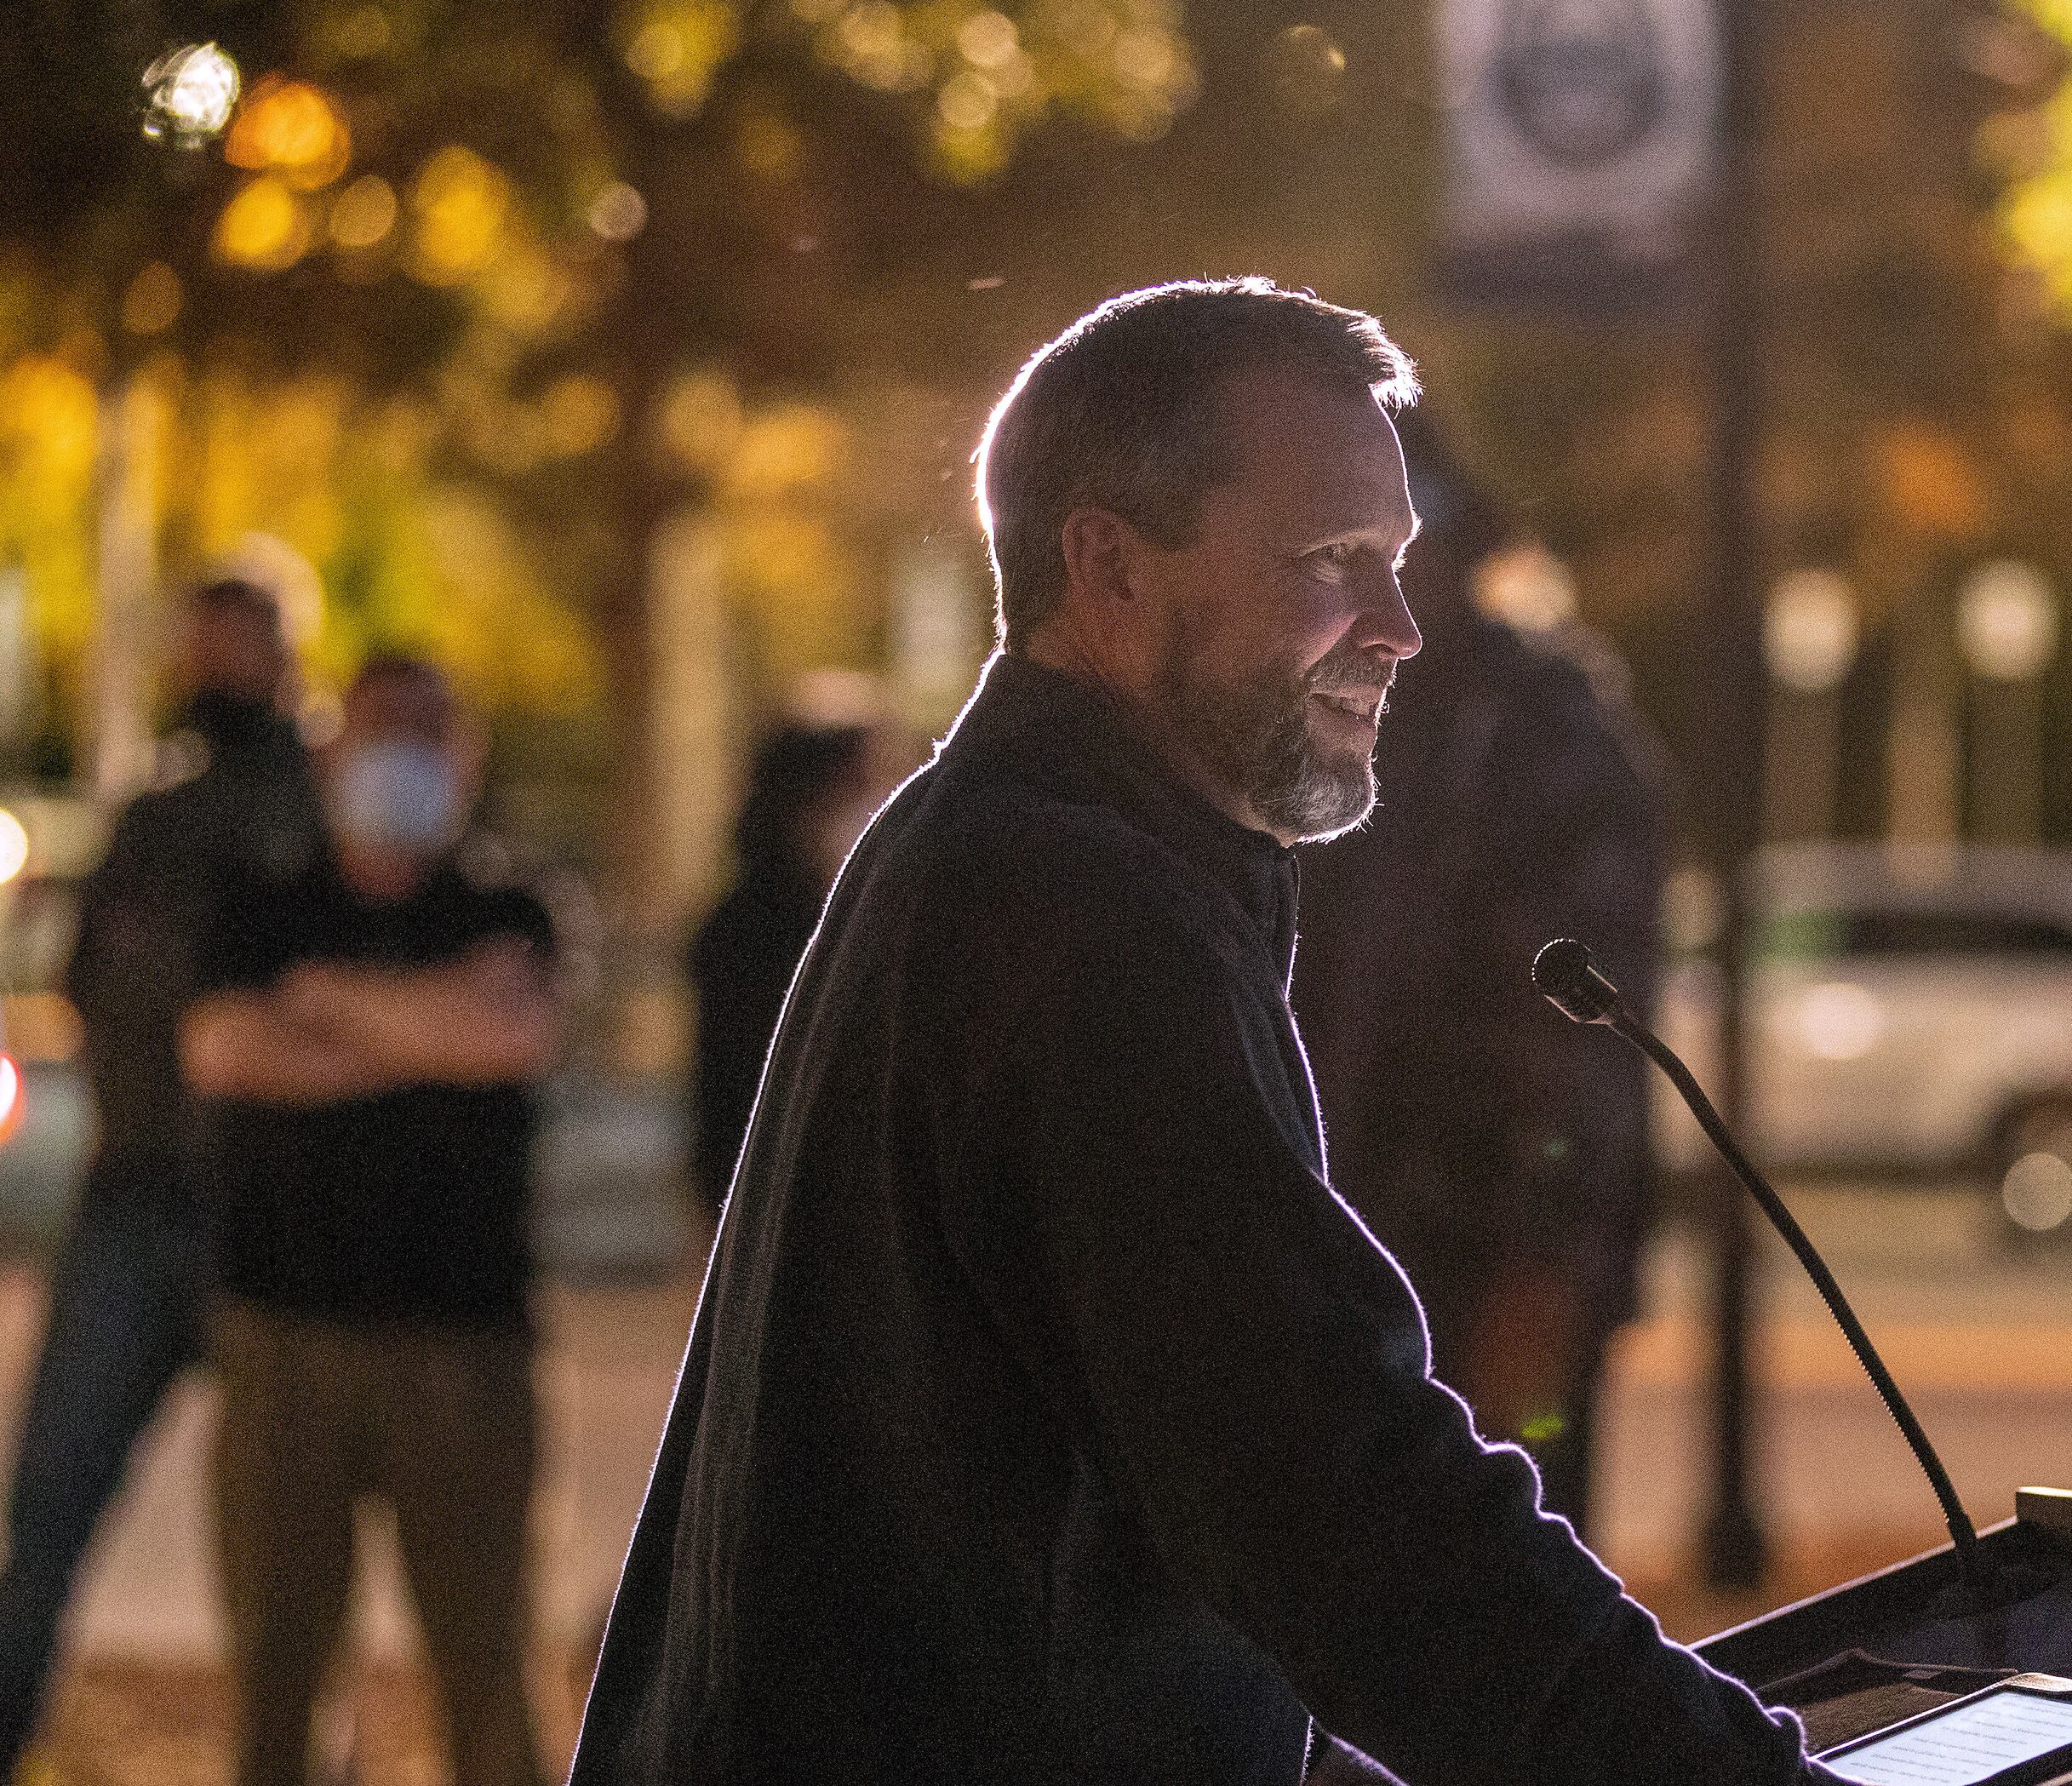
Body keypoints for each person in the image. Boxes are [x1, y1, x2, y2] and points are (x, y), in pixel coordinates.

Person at [568, 279, 1826, 1785]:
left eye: (1401, 561)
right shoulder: (1080, 919)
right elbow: (1338, 1503)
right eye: (1329, 562)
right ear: (1107, 565)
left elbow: (1164, 1533)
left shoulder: (995, 847)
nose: (1402, 628)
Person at [179, 655, 564, 1786]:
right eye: (378, 728)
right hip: (282, 1335)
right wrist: (428, 1026)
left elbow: (507, 1037)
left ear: (467, 755)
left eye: (426, 732)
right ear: (332, 747)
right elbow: (225, 1050)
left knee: (490, 1680)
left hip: (468, 1346)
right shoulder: (260, 907)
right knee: (279, 1682)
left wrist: (328, 1002)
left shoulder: (512, 907)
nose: (400, 755)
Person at [1291, 407, 1663, 1541]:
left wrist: (1543, 1266)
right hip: (1331, 1266)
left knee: (1510, 1592)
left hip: (1484, 1274)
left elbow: (1579, 1045)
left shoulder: (1541, 736)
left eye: (1401, 546)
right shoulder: (1294, 726)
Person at [0, 578, 317, 1770]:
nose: (218, 671)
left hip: (268, 1217)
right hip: (136, 1196)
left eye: (237, 650)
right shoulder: (156, 819)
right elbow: (101, 988)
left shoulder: (312, 811)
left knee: (291, 1552)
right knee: (50, 1511)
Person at [687, 718, 886, 1216]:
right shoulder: (746, 939)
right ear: (807, 802)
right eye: (866, 785)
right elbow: (729, 1115)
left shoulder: (873, 920)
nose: (886, 806)